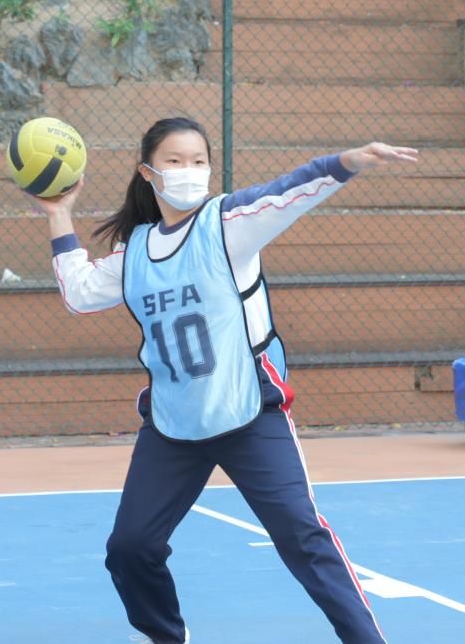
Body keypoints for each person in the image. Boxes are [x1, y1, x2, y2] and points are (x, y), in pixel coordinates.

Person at [31, 116, 419, 644]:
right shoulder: (136, 250)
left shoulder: (228, 224)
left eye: (198, 161)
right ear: (147, 172)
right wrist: (59, 214)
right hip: (174, 423)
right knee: (130, 547)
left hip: (248, 411)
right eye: (174, 161)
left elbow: (289, 191)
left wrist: (345, 162)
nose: (188, 170)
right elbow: (79, 293)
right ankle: (166, 636)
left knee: (302, 537)